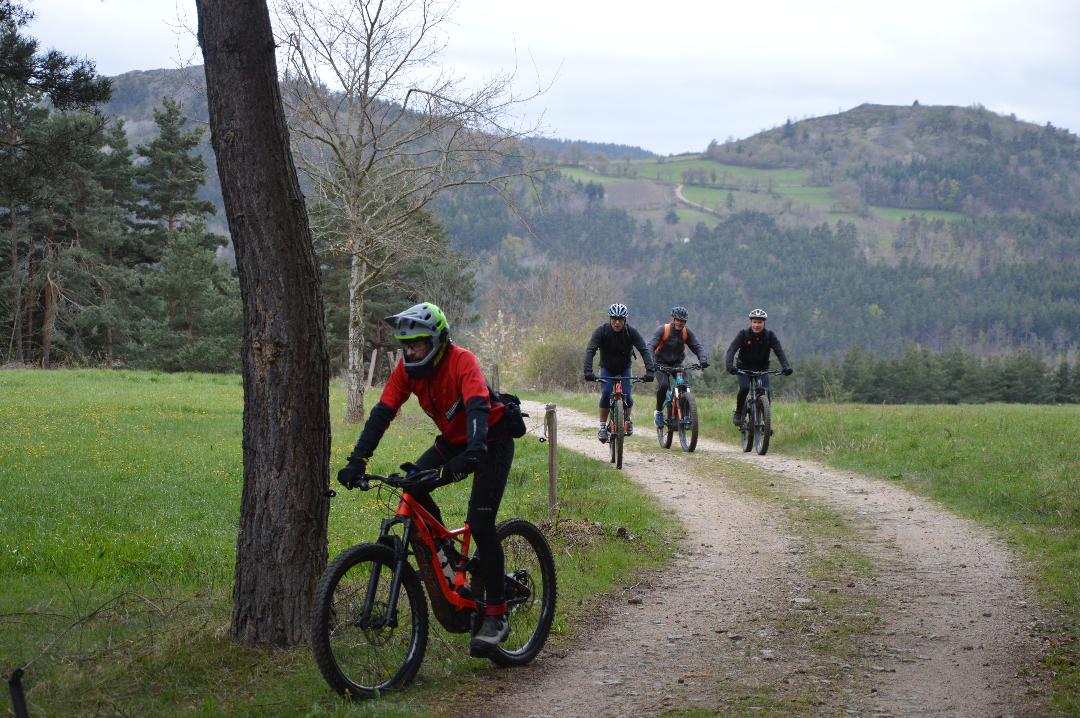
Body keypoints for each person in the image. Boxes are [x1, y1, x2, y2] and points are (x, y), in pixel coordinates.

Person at [336, 302, 515, 656]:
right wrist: (358, 458)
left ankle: (496, 615)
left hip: (490, 443)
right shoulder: (407, 371)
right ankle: (450, 556)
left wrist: (472, 457)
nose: (410, 351)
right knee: (413, 487)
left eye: (417, 344)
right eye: (406, 345)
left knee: (480, 523)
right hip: (451, 443)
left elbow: (478, 408)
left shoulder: (462, 361)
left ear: (438, 342)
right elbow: (382, 413)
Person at [582, 303, 656, 442]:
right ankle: (603, 427)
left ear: (625, 320)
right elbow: (590, 350)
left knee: (627, 395)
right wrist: (588, 371)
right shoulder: (601, 331)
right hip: (607, 368)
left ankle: (627, 419)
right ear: (610, 319)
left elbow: (644, 350)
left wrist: (650, 371)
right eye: (614, 319)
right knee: (606, 392)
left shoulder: (631, 332)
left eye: (620, 319)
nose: (617, 322)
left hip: (624, 369)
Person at [724, 308, 793, 426]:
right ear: (751, 322)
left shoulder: (769, 336)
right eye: (754, 322)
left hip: (762, 369)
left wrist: (786, 366)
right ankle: (739, 412)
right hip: (744, 368)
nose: (757, 325)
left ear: (764, 323)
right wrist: (729, 365)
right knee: (745, 388)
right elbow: (731, 350)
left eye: (759, 322)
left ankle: (764, 422)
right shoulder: (743, 334)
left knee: (765, 392)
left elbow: (779, 351)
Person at [647, 306, 709, 428]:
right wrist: (651, 363)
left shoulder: (686, 332)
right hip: (660, 364)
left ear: (685, 322)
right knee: (664, 386)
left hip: (677, 364)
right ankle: (659, 412)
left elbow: (697, 346)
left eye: (683, 321)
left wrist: (703, 359)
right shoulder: (663, 330)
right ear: (673, 319)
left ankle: (685, 415)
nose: (680, 323)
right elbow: (650, 346)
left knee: (684, 387)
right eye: (678, 320)